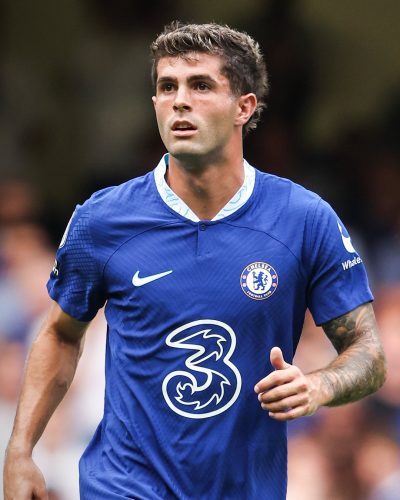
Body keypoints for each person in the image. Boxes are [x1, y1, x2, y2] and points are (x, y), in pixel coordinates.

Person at [3, 21, 386, 500]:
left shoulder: (303, 219)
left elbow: (369, 354)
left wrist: (319, 386)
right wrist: (20, 450)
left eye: (200, 85)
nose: (180, 101)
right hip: (123, 485)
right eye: (168, 87)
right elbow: (61, 333)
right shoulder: (102, 220)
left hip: (244, 488)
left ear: (244, 107)